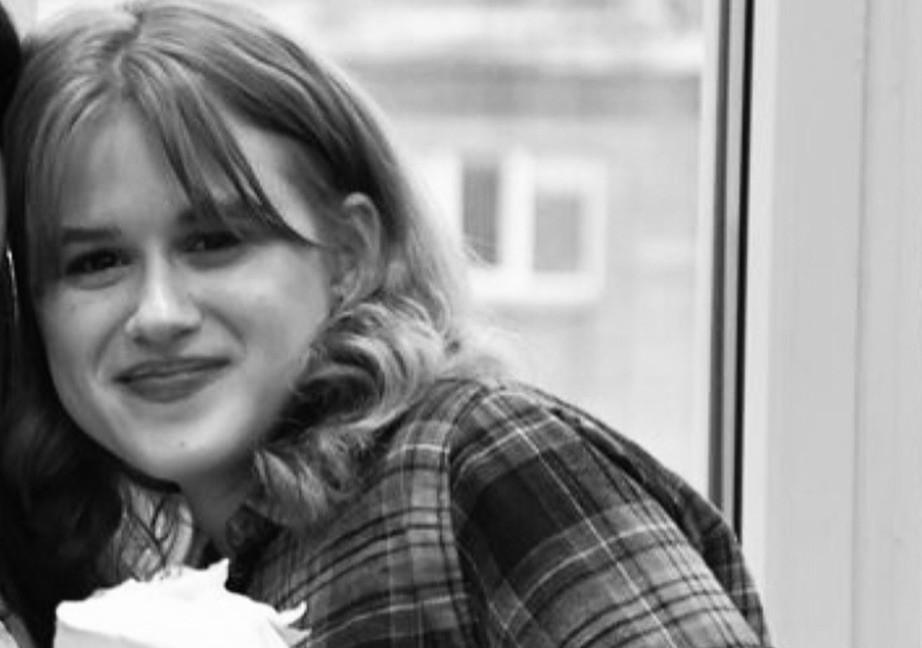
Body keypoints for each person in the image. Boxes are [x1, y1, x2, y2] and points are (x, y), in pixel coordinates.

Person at [0, 1, 771, 646]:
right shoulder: (187, 589)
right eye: (96, 262)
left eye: (214, 242)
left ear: (350, 255)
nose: (159, 314)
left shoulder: (474, 459)